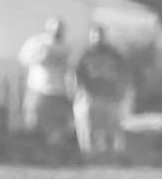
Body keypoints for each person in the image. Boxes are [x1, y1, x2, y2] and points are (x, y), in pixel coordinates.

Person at [70, 24, 132, 158]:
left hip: (109, 95)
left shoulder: (113, 53)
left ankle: (111, 153)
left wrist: (121, 90)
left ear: (104, 36)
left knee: (111, 125)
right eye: (94, 35)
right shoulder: (84, 52)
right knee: (88, 126)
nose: (97, 38)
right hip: (89, 94)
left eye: (100, 35)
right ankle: (88, 153)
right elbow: (75, 73)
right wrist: (76, 91)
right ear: (90, 36)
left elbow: (123, 72)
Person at [16, 19, 72, 153]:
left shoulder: (67, 47)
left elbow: (70, 68)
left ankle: (54, 153)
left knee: (56, 125)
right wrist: (39, 58)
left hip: (59, 91)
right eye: (54, 29)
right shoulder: (36, 42)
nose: (56, 32)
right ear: (48, 29)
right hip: (38, 89)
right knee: (34, 122)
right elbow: (23, 59)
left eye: (59, 30)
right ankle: (33, 152)